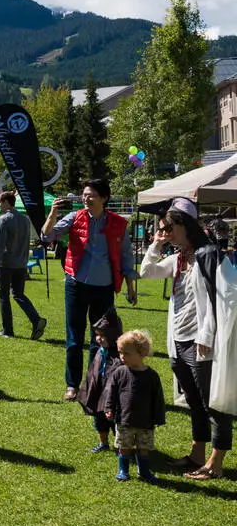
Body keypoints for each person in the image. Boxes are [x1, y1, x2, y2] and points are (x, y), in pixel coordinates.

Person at [138, 197, 232, 479]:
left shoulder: (209, 255)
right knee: (194, 400)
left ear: (183, 224)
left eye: (168, 227)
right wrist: (156, 244)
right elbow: (146, 272)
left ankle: (215, 464)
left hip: (201, 341)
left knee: (213, 403)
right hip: (178, 340)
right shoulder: (178, 258)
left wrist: (207, 334)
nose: (165, 232)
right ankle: (196, 455)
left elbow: (223, 299)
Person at [41, 178, 138, 402]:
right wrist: (52, 213)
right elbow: (47, 236)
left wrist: (130, 287)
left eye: (91, 195)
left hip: (103, 288)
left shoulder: (117, 223)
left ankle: (92, 383)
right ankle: (72, 385)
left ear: (104, 198)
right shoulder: (75, 218)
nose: (86, 198)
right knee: (74, 337)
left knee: (100, 339)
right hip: (76, 285)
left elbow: (126, 257)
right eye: (84, 194)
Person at [104, 330, 165, 483]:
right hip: (125, 419)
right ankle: (123, 470)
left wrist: (159, 416)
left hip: (145, 421)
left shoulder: (152, 376)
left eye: (126, 353)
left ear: (142, 353)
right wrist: (109, 408)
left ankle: (143, 471)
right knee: (124, 446)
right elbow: (111, 392)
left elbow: (158, 398)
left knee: (144, 448)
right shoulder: (119, 373)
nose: (122, 356)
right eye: (120, 352)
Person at [0, 192, 47, 340]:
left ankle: (7, 330)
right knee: (18, 294)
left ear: (6, 202)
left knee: (3, 297)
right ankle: (36, 319)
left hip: (6, 264)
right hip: (21, 264)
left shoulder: (2, 220)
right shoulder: (24, 220)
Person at [77, 309, 123, 454]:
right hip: (98, 393)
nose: (99, 339)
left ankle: (121, 446)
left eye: (103, 335)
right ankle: (103, 442)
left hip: (113, 398)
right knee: (99, 421)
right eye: (97, 335)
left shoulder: (120, 356)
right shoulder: (100, 351)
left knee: (116, 423)